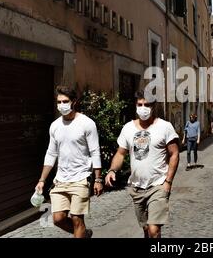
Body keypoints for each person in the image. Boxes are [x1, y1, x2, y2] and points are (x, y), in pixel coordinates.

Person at [105, 91, 180, 238]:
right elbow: (121, 153)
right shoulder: (128, 128)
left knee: (154, 230)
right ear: (136, 105)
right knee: (146, 229)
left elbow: (174, 154)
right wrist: (112, 170)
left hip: (158, 185)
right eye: (140, 104)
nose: (143, 108)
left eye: (147, 105)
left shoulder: (165, 127)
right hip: (137, 187)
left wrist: (168, 182)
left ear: (153, 107)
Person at [35, 86, 103, 238]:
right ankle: (84, 234)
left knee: (77, 219)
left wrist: (98, 179)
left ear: (74, 102)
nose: (61, 105)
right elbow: (51, 153)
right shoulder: (55, 126)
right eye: (59, 102)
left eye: (65, 101)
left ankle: (81, 232)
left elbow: (95, 151)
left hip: (81, 178)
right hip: (61, 180)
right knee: (58, 219)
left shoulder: (87, 123)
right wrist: (42, 180)